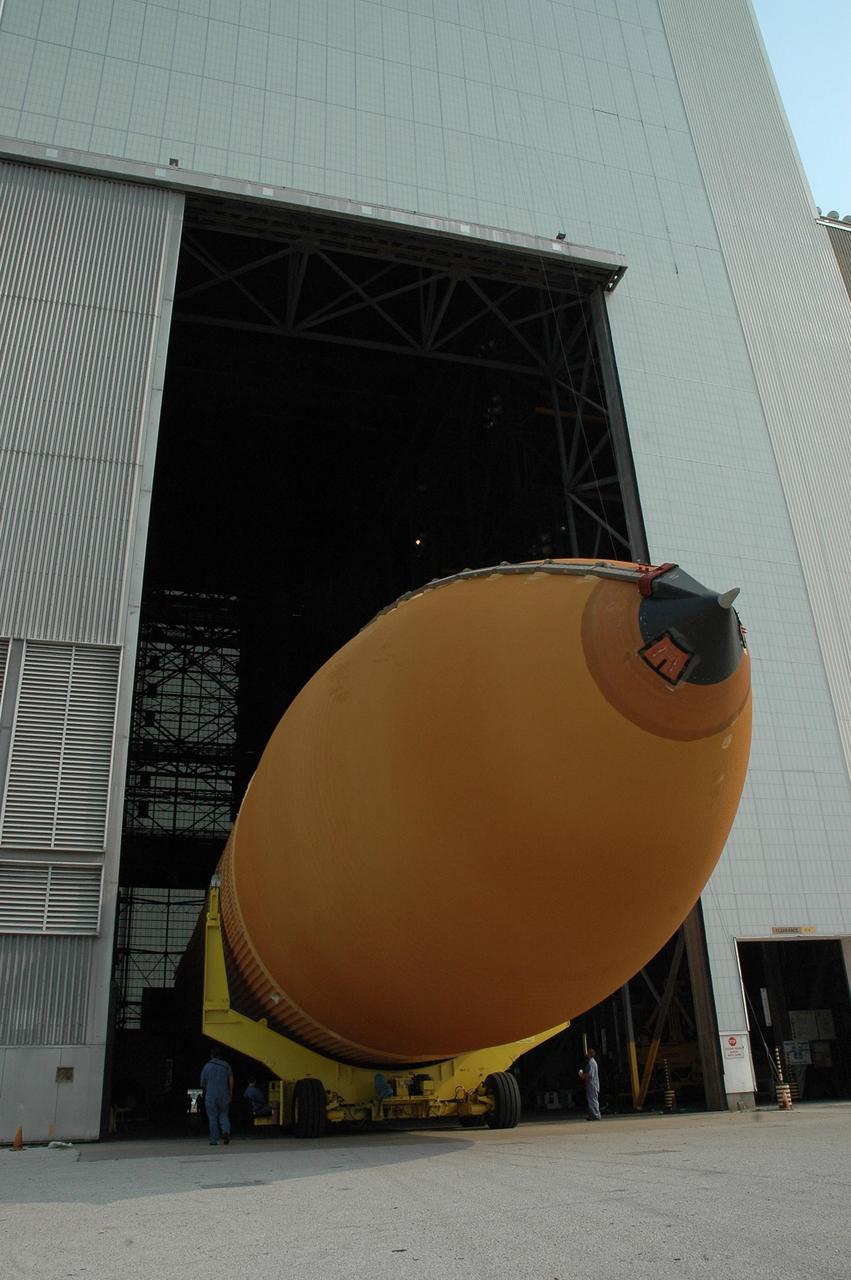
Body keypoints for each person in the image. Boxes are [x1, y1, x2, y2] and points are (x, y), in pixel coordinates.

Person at [200, 1046, 234, 1145]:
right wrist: (230, 1091)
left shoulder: (206, 1066)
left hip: (211, 1094)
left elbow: (202, 1083)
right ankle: (226, 1131)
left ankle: (214, 1140)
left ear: (211, 1055)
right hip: (224, 1093)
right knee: (224, 1114)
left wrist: (208, 1089)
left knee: (212, 1117)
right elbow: (231, 1079)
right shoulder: (226, 1065)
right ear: (220, 1056)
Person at [579, 1047, 601, 1121]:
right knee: (592, 1099)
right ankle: (593, 1114)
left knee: (593, 1100)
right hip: (591, 1084)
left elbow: (590, 1074)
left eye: (587, 1053)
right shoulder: (592, 1062)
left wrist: (582, 1075)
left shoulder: (591, 1063)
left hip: (592, 1084)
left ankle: (596, 1115)